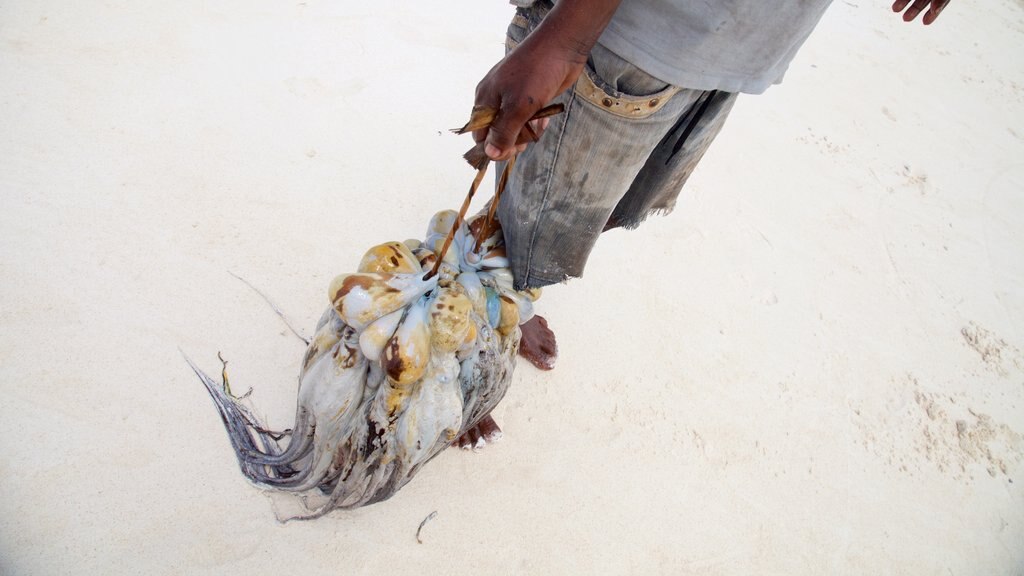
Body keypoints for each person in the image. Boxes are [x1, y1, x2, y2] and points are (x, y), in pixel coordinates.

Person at [455, 0, 950, 449]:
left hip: (728, 47)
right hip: (625, 33)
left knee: (605, 205)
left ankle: (502, 296)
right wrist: (565, 38)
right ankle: (460, 343)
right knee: (540, 209)